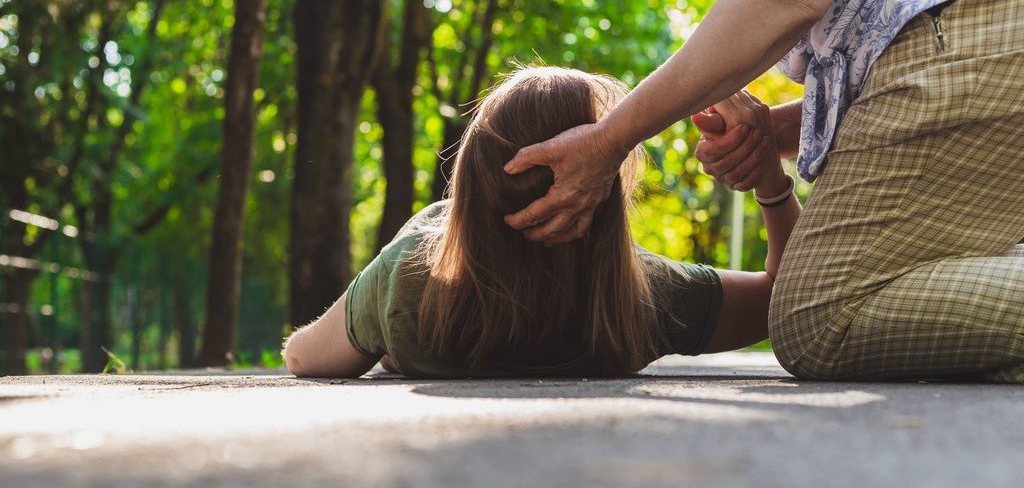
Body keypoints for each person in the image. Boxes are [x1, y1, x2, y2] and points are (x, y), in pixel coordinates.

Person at [502, 0, 1024, 382]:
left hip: (980, 12)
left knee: (819, 320)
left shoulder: (423, 282)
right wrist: (769, 140)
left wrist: (610, 138)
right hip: (988, 8)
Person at [282, 67, 800, 378]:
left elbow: (303, 358)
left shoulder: (410, 281)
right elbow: (786, 300)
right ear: (602, 195)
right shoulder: (642, 298)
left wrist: (390, 317)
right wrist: (771, 186)